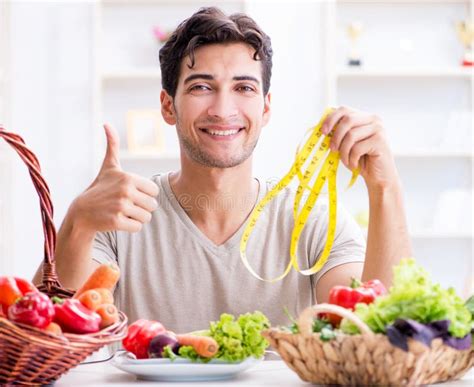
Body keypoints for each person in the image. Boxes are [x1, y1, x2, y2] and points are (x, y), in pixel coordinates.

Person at [33, 7, 412, 333]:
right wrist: (77, 222)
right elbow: (47, 335)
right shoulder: (121, 218)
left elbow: (373, 327)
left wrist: (385, 188)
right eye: (201, 87)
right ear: (168, 106)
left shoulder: (312, 218)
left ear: (265, 108)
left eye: (244, 88)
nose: (223, 109)